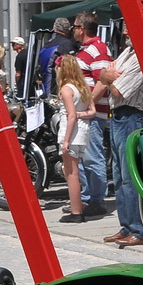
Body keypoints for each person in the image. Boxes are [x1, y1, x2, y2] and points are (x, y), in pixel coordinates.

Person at [94, 39, 143, 247]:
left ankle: (140, 230)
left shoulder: (141, 55)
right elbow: (103, 76)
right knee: (119, 175)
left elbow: (119, 90)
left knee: (130, 176)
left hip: (132, 116)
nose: (124, 30)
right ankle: (127, 226)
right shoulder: (127, 51)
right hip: (118, 116)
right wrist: (107, 76)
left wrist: (108, 77)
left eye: (128, 26)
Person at [72, 12, 114, 214]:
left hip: (92, 115)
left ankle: (97, 200)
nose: (72, 30)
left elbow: (103, 81)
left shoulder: (98, 49)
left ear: (81, 29)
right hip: (84, 113)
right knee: (82, 157)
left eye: (74, 26)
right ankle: (87, 198)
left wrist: (89, 105)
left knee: (91, 157)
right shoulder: (87, 50)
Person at [54, 54, 99, 225]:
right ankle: (78, 208)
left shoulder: (66, 89)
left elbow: (71, 115)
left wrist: (65, 141)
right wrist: (81, 114)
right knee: (75, 171)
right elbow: (92, 111)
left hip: (70, 132)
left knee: (71, 173)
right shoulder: (83, 88)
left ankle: (76, 211)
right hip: (82, 132)